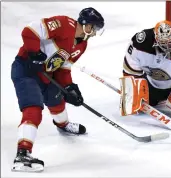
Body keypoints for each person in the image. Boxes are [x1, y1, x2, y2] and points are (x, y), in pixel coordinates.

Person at [11, 7, 104, 172]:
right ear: (87, 25)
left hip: (46, 74)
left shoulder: (82, 45)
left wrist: (69, 87)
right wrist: (33, 53)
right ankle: (22, 154)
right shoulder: (63, 24)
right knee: (33, 108)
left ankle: (63, 125)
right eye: (95, 27)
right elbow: (29, 30)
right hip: (26, 70)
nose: (95, 32)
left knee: (58, 101)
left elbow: (63, 67)